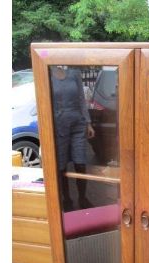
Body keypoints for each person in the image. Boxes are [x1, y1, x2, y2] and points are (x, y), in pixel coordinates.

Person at [50, 65, 95, 211]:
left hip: (78, 124)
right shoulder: (47, 73)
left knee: (80, 162)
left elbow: (82, 99)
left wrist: (88, 123)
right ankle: (66, 199)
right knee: (61, 164)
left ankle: (83, 198)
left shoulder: (74, 73)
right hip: (58, 126)